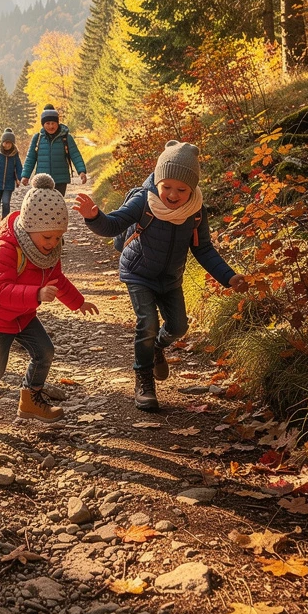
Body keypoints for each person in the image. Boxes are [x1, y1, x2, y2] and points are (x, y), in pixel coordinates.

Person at [73, 140, 247, 412]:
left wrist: (229, 277)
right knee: (147, 321)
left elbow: (204, 250)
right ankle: (143, 380)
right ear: (158, 180)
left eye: (182, 190)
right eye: (167, 187)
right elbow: (114, 225)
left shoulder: (196, 211)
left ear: (193, 189)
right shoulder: (143, 200)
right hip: (138, 273)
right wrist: (94, 216)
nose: (173, 195)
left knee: (178, 327)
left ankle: (156, 348)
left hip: (170, 278)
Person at [0, 174, 98, 437]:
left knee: (45, 352)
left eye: (57, 238)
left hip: (22, 314)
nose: (53, 244)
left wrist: (78, 302)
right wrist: (37, 294)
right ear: (29, 228)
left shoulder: (49, 251)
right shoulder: (6, 249)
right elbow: (0, 290)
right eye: (47, 237)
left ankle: (30, 400)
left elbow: (59, 280)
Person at [21, 104, 87, 194]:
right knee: (42, 205)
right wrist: (25, 175)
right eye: (47, 123)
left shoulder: (66, 138)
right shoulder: (37, 138)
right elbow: (30, 158)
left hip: (60, 179)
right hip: (42, 180)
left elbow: (75, 155)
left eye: (53, 123)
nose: (51, 126)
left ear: (57, 123)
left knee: (57, 205)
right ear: (43, 124)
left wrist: (81, 171)